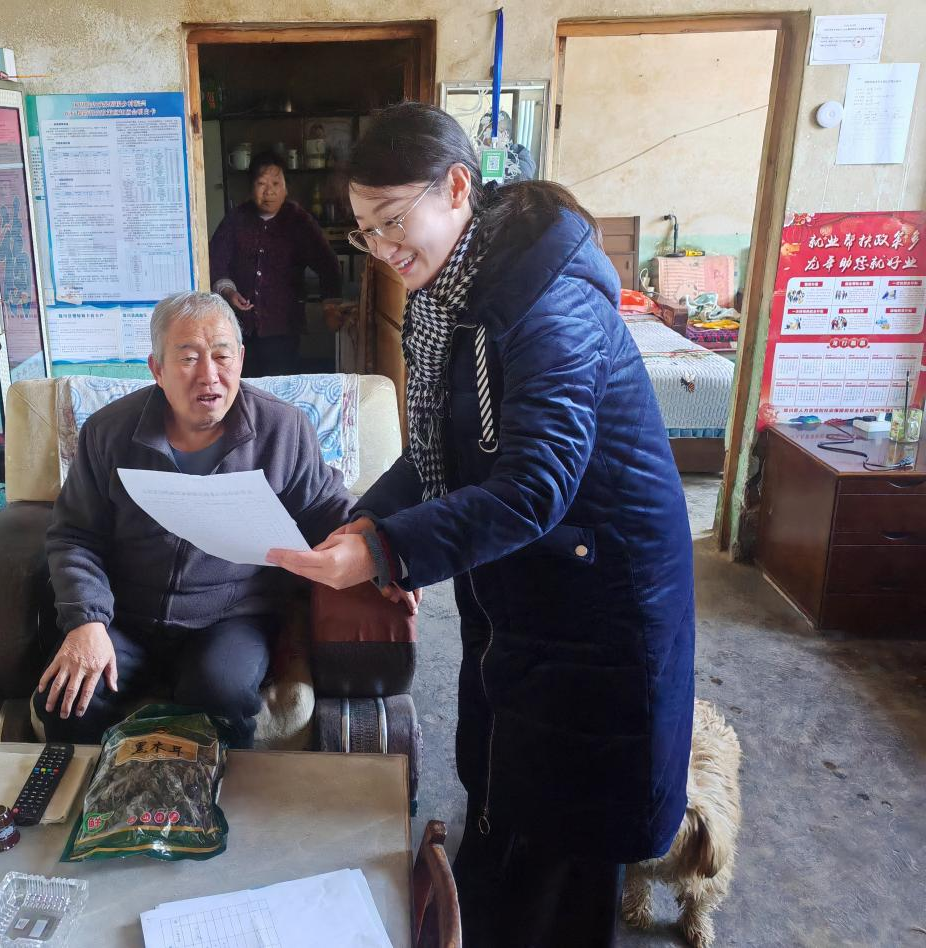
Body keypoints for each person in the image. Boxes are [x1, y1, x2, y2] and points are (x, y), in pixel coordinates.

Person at [267, 102, 695, 946]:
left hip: (602, 605)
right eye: (364, 230)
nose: (383, 249)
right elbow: (441, 452)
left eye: (394, 221)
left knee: (566, 847)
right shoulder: (452, 298)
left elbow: (534, 486)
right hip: (530, 589)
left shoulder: (546, 303)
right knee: (508, 799)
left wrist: (387, 552)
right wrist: (364, 521)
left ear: (457, 188)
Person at [36, 291, 359, 747]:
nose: (209, 375)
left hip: (231, 616)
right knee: (68, 699)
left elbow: (327, 508)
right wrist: (87, 621)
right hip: (124, 614)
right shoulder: (108, 432)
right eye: (188, 358)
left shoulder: (282, 429)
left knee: (219, 693)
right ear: (157, 369)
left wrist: (381, 548)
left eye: (222, 356)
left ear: (240, 359)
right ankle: (91, 794)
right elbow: (74, 535)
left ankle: (219, 794)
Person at [209, 152, 343, 377]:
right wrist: (229, 292)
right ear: (250, 188)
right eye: (261, 183)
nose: (269, 191)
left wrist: (330, 305)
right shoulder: (236, 219)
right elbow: (216, 261)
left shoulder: (299, 222)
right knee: (243, 384)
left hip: (284, 327)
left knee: (280, 384)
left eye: (275, 183)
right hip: (239, 328)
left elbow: (328, 265)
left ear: (286, 188)